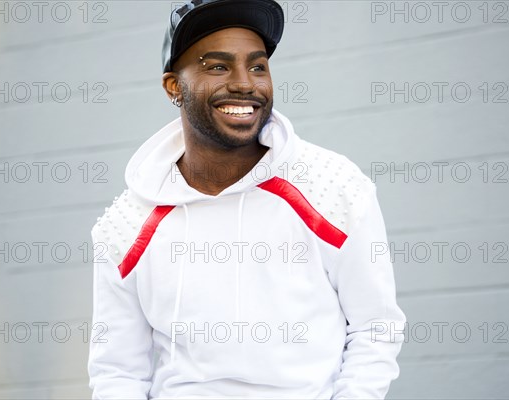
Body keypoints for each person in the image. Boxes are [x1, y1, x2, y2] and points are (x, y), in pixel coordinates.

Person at [88, 0, 406, 398]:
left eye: (257, 66)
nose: (244, 83)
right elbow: (117, 371)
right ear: (174, 86)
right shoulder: (126, 224)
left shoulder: (333, 186)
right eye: (217, 66)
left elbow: (375, 330)